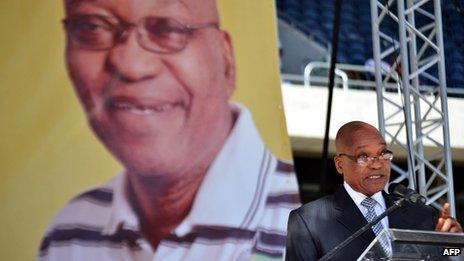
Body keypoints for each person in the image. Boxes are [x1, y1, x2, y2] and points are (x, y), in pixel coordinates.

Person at [38, 0, 300, 260]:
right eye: (92, 27)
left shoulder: (298, 229)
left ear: (226, 61)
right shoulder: (70, 232)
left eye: (169, 29)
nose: (131, 65)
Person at [285, 121, 462, 261]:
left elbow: (448, 254)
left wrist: (456, 244)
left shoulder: (422, 215)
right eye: (363, 157)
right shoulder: (308, 221)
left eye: (383, 154)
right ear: (340, 164)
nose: (377, 164)